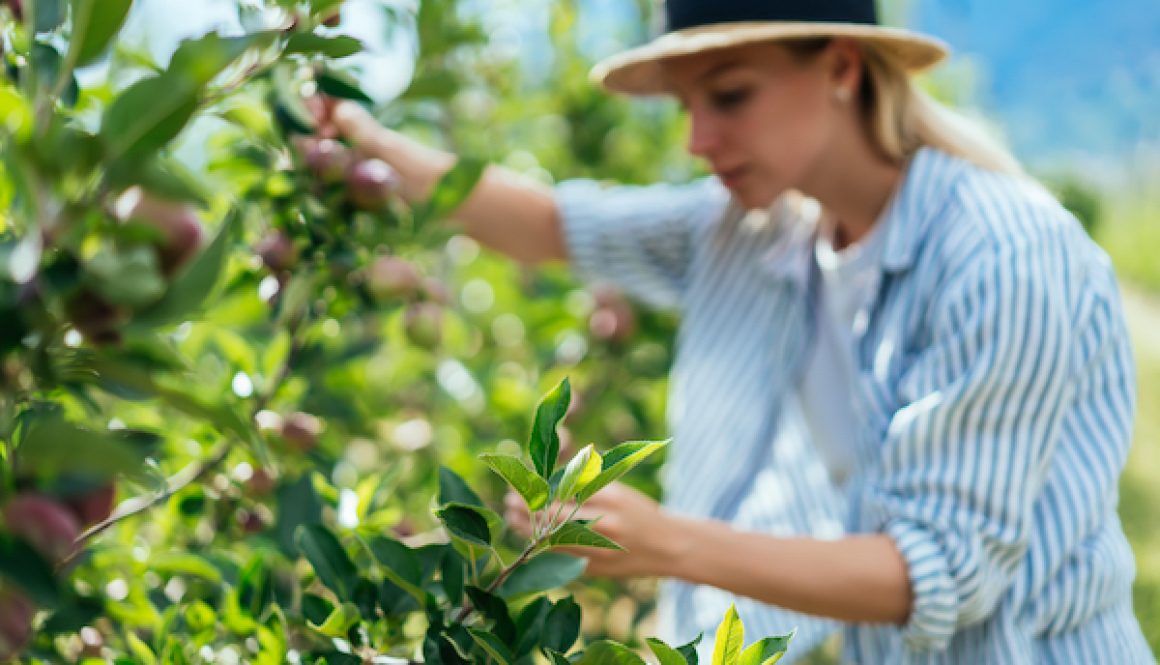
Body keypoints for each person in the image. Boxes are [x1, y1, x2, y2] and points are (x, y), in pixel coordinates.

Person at [310, 0, 1155, 662]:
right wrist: (367, 147)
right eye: (686, 105)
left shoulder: (997, 252)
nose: (696, 139)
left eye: (730, 96)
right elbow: (552, 225)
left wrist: (665, 542)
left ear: (842, 66)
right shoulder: (761, 232)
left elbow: (936, 572)